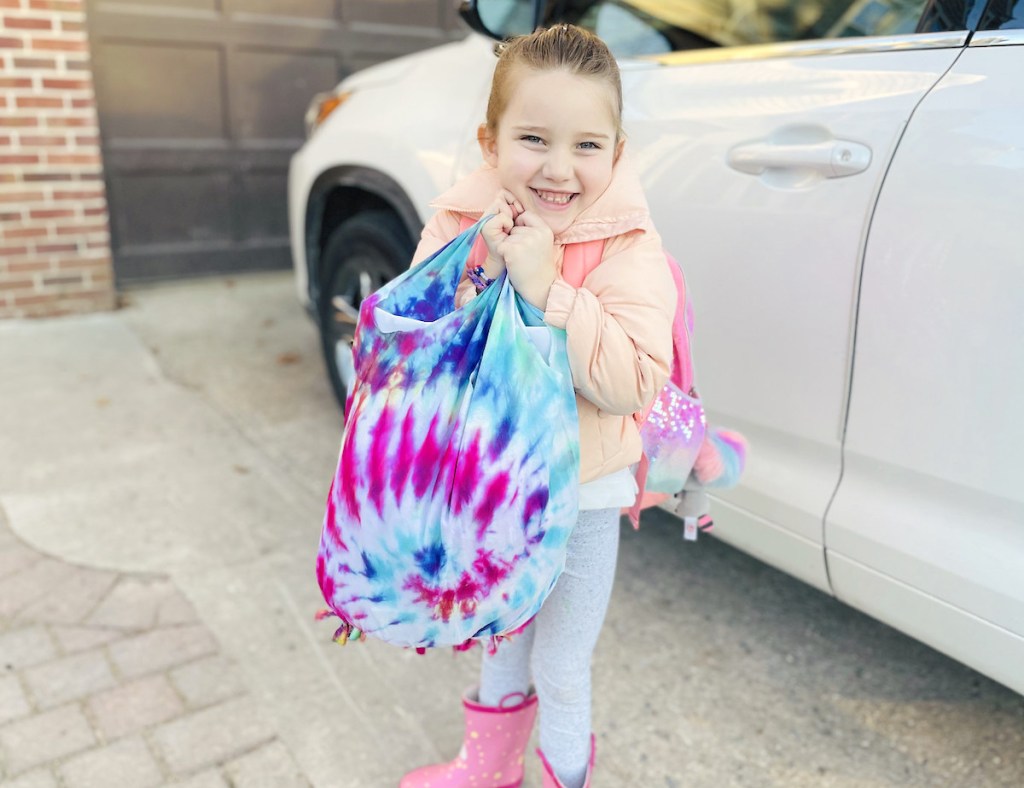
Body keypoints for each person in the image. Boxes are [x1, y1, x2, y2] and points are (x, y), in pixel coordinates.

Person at [400, 24, 676, 788]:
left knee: (560, 660)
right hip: (493, 486)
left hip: (585, 496)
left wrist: (549, 289)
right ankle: (488, 769)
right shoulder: (458, 221)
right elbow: (414, 349)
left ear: (617, 152)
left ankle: (562, 776)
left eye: (587, 145)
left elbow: (632, 382)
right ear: (490, 142)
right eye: (533, 139)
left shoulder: (628, 245)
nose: (559, 169)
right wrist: (468, 278)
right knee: (502, 634)